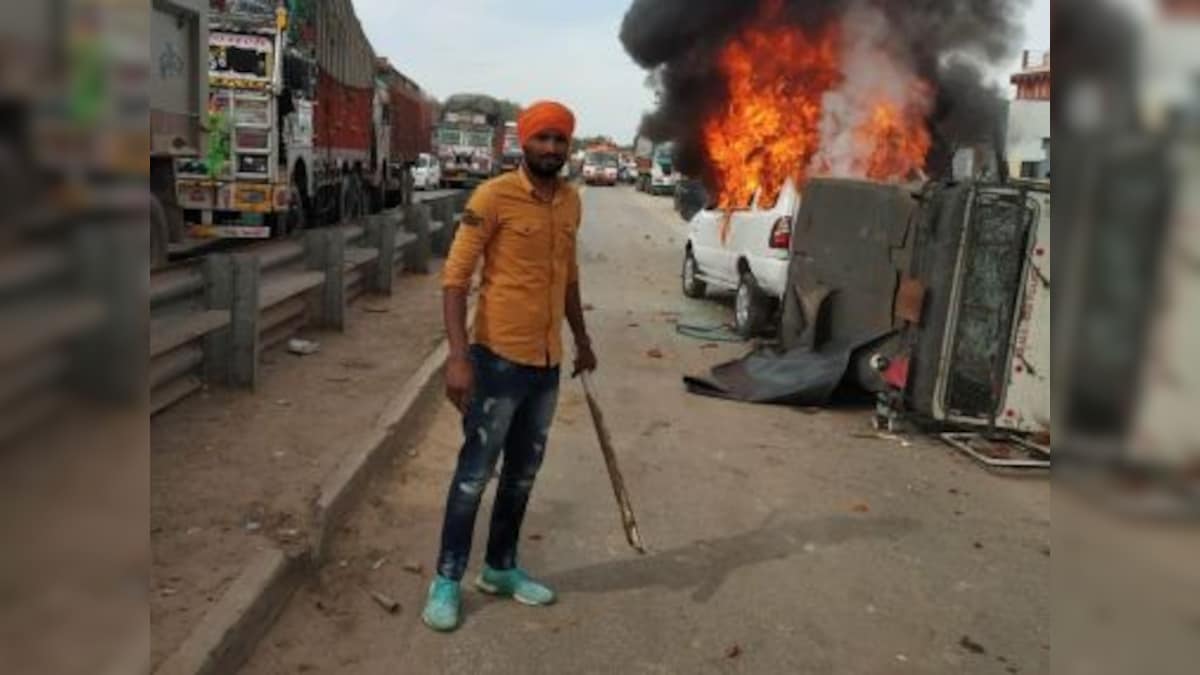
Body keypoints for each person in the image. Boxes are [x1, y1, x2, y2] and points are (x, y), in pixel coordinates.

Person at [422, 100, 597, 632]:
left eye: (560, 140)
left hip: (546, 365)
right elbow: (455, 279)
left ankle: (499, 568)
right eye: (542, 138)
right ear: (523, 142)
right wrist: (458, 357)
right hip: (496, 361)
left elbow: (566, 278)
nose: (550, 148)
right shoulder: (492, 197)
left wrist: (582, 339)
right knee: (475, 476)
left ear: (569, 147)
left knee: (522, 476)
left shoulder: (570, 203)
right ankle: (447, 579)